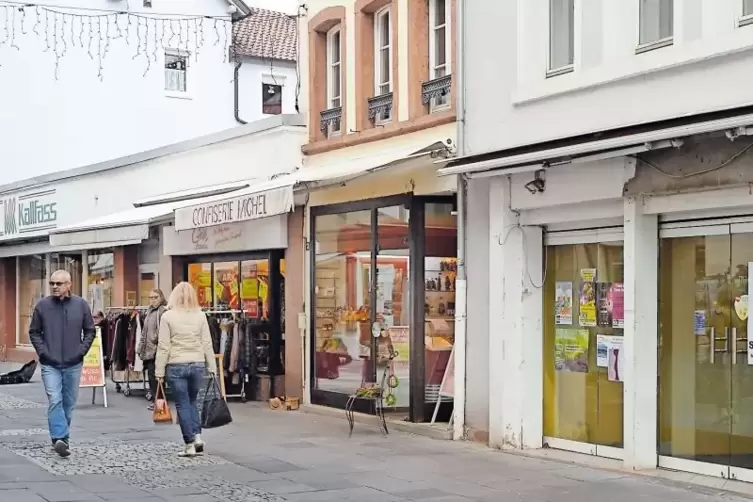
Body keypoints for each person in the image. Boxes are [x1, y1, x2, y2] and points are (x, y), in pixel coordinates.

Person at [29, 269, 95, 458]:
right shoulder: (42, 306)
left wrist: (80, 351)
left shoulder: (80, 305)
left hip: (73, 363)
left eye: (59, 283)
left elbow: (90, 331)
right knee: (55, 399)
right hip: (50, 364)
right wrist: (43, 352)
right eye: (52, 283)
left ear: (69, 284)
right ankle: (60, 437)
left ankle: (60, 438)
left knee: (68, 403)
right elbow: (34, 332)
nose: (55, 287)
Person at [155, 282, 217, 457]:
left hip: (176, 365)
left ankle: (189, 443)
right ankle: (198, 436)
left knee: (182, 404)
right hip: (197, 363)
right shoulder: (200, 316)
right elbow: (207, 343)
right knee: (193, 401)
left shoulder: (167, 317)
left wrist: (159, 371)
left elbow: (164, 346)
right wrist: (212, 366)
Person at [137, 289, 167, 411]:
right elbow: (144, 332)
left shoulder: (163, 311)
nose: (153, 300)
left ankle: (159, 403)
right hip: (148, 350)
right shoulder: (149, 312)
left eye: (156, 297)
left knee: (157, 378)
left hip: (157, 350)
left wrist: (156, 340)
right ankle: (157, 401)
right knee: (151, 377)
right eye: (151, 297)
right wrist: (140, 347)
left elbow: (163, 332)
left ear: (161, 297)